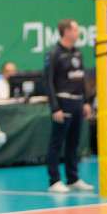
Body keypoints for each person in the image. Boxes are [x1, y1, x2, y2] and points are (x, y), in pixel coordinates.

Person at [43, 18, 94, 193]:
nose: (78, 33)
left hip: (78, 102)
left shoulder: (78, 53)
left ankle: (73, 178)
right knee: (57, 142)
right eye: (76, 29)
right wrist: (55, 107)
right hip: (63, 102)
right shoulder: (54, 54)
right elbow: (48, 81)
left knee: (74, 142)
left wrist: (86, 102)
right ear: (67, 32)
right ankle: (54, 180)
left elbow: (82, 79)